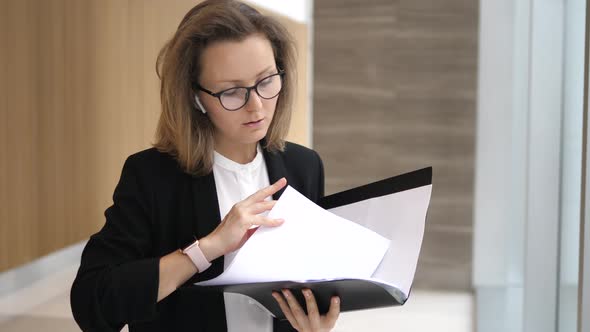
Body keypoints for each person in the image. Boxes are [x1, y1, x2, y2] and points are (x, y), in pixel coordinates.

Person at [70, 1, 340, 331]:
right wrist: (208, 248)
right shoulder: (152, 176)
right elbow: (92, 301)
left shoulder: (304, 165)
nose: (256, 105)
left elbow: (308, 282)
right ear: (196, 97)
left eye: (266, 81)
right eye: (232, 91)